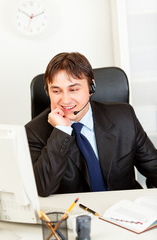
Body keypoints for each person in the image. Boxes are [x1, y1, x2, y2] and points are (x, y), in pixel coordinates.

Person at [25, 52, 157, 197]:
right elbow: (41, 189)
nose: (65, 100)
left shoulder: (124, 117)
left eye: (73, 89)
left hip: (124, 212)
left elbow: (155, 170)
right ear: (47, 92)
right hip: (74, 215)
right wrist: (62, 131)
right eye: (56, 91)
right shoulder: (33, 132)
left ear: (91, 88)